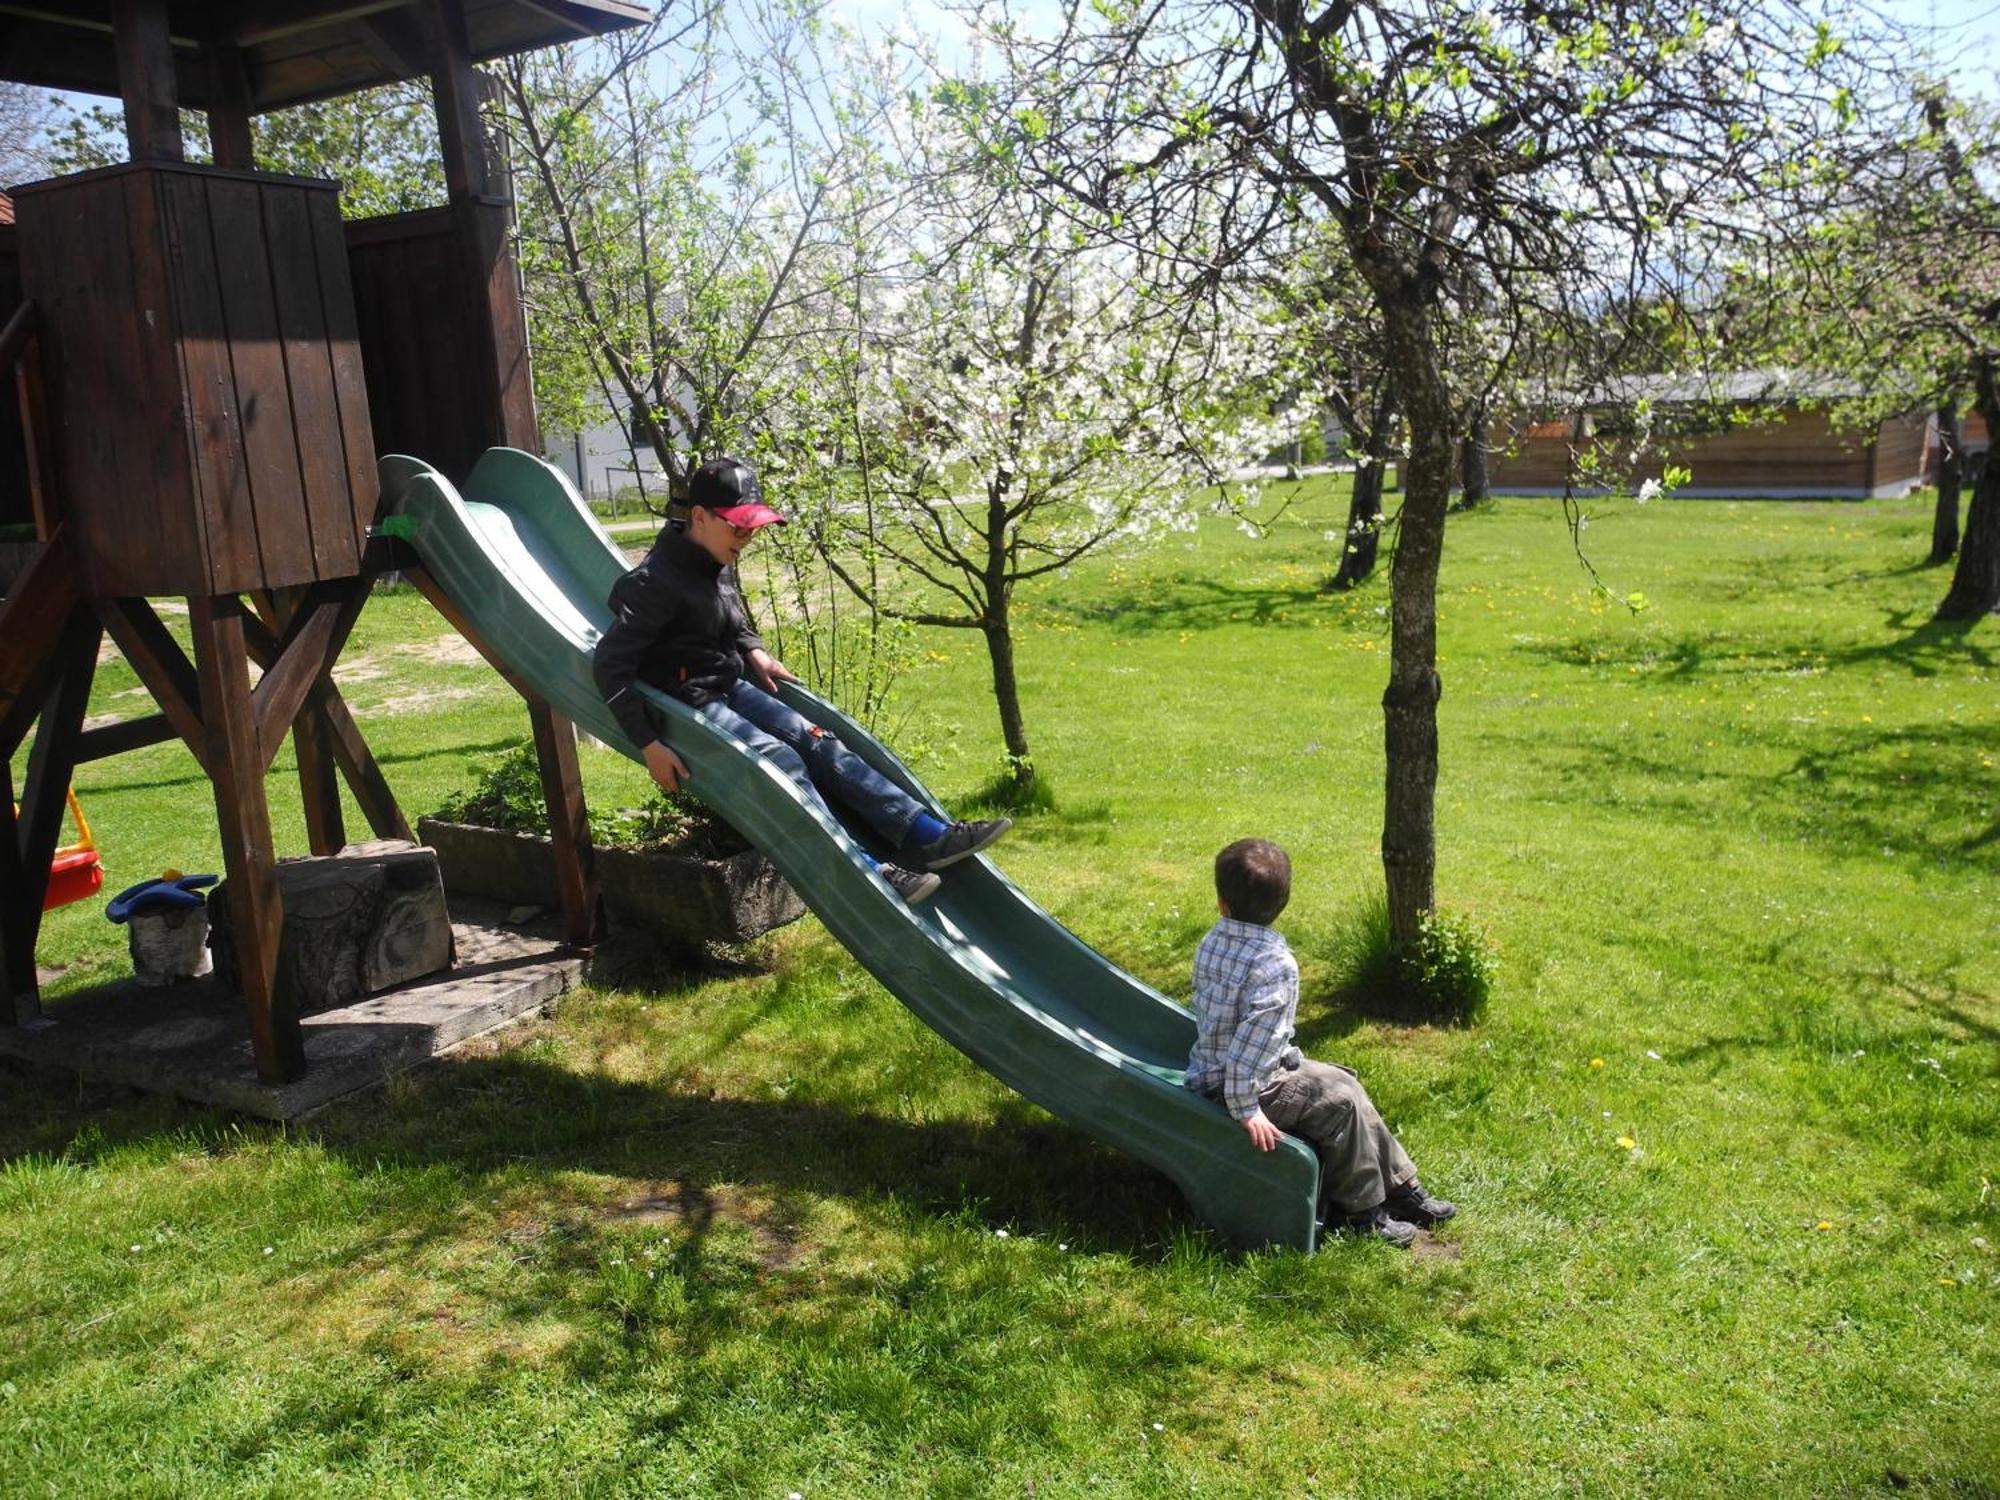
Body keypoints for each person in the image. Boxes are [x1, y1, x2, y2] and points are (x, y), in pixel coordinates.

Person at [592, 456, 1009, 905]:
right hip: (690, 703)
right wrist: (648, 744)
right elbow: (609, 664)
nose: (747, 538)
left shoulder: (716, 557)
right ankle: (869, 869)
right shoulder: (655, 583)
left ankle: (925, 834)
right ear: (699, 517)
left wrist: (753, 649)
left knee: (818, 740)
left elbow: (729, 611)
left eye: (752, 528)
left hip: (730, 685)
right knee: (782, 762)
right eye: (738, 527)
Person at [1184, 838, 1457, 1247]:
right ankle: (1364, 1213)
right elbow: (1249, 1049)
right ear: (1282, 905)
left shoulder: (1213, 941)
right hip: (1240, 1088)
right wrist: (1246, 1110)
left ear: (1222, 903)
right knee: (1340, 1104)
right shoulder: (1274, 965)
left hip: (1222, 1071)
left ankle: (1402, 1188)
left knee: (1343, 1081)